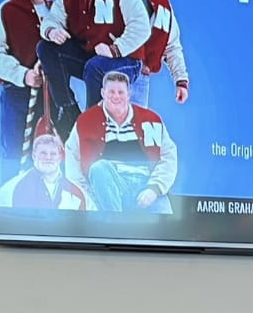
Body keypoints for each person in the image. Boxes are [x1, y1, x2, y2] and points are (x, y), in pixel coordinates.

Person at [37, 0, 150, 139]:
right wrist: (52, 31)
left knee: (95, 67)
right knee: (46, 48)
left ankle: (94, 125)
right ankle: (69, 110)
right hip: (90, 59)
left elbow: (142, 27)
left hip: (126, 60)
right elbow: (49, 22)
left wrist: (116, 48)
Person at [64, 69, 177, 213]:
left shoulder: (150, 119)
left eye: (121, 92)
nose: (116, 96)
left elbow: (168, 156)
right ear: (103, 93)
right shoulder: (86, 121)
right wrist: (90, 197)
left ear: (129, 94)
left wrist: (154, 189)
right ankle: (114, 226)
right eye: (111, 92)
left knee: (165, 222)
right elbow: (72, 162)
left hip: (146, 185)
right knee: (99, 168)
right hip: (108, 187)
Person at [0, 0, 55, 171]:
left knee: (54, 151)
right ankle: (10, 199)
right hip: (17, 94)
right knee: (15, 151)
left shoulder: (57, 11)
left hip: (53, 94)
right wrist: (24, 75)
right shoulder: (6, 11)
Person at [118, 0, 189, 108]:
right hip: (111, 73)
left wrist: (181, 80)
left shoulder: (161, 2)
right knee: (103, 129)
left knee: (135, 131)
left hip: (140, 78)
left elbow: (172, 46)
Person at [0, 133, 90, 210]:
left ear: (60, 158)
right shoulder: (13, 188)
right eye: (43, 153)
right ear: (34, 156)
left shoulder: (76, 192)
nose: (48, 158)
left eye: (53, 154)